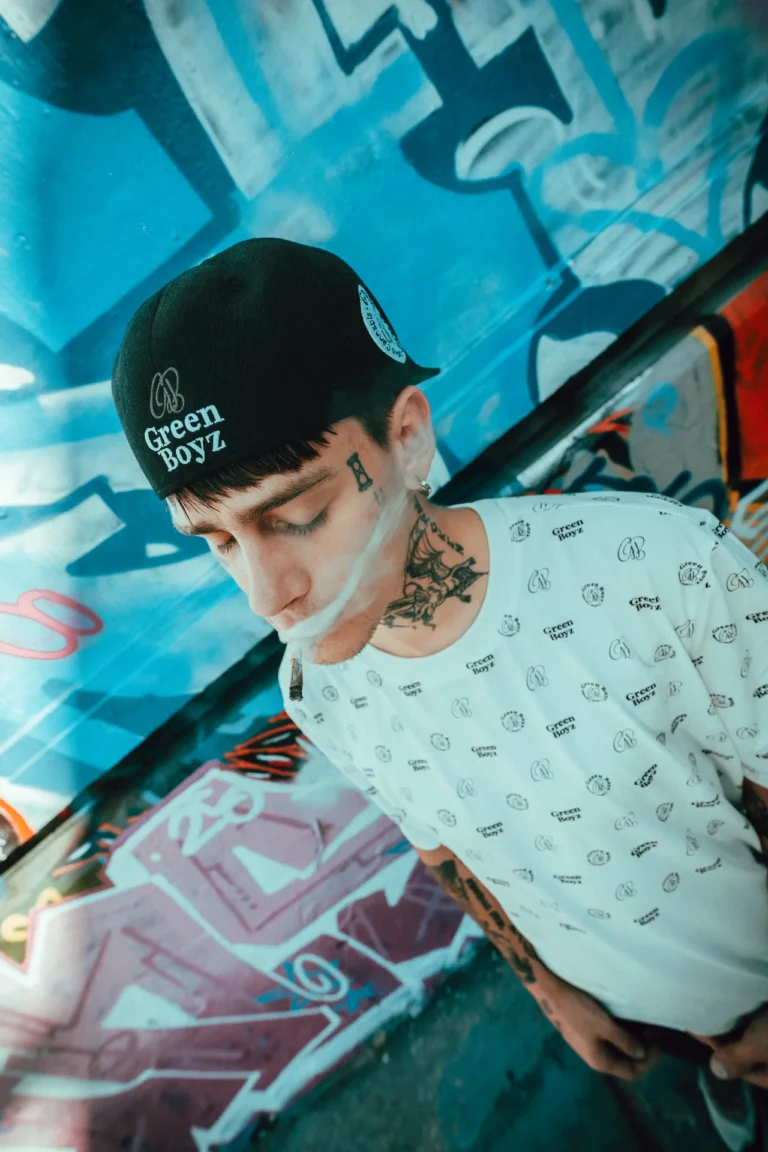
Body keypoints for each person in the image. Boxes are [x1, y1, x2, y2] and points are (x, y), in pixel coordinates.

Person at [112, 238, 768, 1150]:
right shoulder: (318, 689)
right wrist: (552, 992)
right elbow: (448, 848)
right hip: (644, 1017)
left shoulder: (661, 574)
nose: (267, 595)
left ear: (408, 438)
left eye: (296, 515)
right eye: (218, 541)